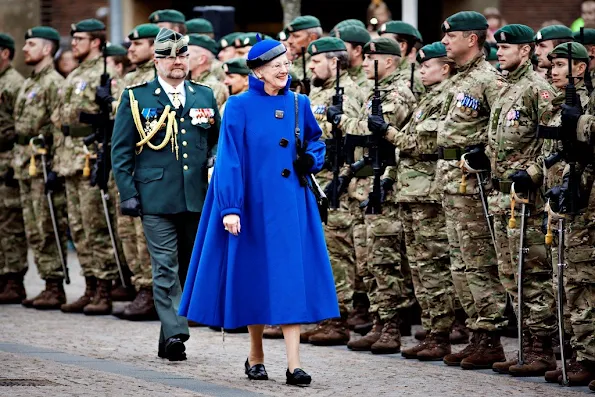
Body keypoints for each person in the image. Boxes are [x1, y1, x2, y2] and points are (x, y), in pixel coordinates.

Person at [179, 37, 339, 386]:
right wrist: (231, 208)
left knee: (288, 279)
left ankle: (294, 364)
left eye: (285, 64)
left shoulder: (300, 102)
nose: (283, 70)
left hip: (291, 205)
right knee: (255, 276)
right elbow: (229, 161)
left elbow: (316, 140)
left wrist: (312, 158)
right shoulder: (238, 106)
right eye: (275, 65)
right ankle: (256, 354)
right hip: (251, 204)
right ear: (257, 71)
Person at [111, 28, 220, 361]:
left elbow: (215, 141)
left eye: (182, 55)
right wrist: (127, 193)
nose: (177, 62)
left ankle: (166, 338)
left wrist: (215, 163)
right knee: (164, 268)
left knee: (187, 270)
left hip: (195, 196)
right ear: (157, 61)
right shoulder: (137, 97)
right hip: (154, 197)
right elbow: (121, 151)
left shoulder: (204, 95)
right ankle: (176, 334)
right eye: (170, 56)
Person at [327, 37, 417, 354]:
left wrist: (342, 121)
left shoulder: (397, 93)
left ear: (389, 61)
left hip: (386, 186)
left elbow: (376, 131)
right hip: (367, 183)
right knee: (368, 261)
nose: (364, 63)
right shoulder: (372, 93)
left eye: (371, 58)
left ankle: (391, 325)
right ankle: (379, 321)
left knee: (384, 258)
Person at [438, 11, 509, 370]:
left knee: (479, 262)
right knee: (460, 263)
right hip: (450, 180)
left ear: (472, 39)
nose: (445, 41)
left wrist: (485, 154)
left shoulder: (489, 79)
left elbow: (503, 131)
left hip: (472, 182)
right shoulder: (458, 79)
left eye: (452, 36)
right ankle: (475, 333)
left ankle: (490, 336)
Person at [485, 24, 557, 377]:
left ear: (525, 51)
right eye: (497, 48)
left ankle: (541, 347)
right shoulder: (506, 88)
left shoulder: (537, 89)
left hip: (526, 197)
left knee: (533, 273)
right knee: (510, 273)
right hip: (503, 197)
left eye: (506, 48)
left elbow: (551, 143)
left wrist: (533, 171)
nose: (499, 53)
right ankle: (526, 342)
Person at [395, 42, 462, 361]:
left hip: (428, 192)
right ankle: (433, 329)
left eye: (426, 67)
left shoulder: (447, 96)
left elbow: (424, 142)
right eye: (419, 67)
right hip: (412, 190)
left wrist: (390, 135)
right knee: (420, 266)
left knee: (433, 264)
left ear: (445, 68)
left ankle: (441, 333)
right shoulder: (429, 97)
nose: (420, 71)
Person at [298, 37, 366, 346]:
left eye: (317, 60)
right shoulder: (315, 92)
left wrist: (343, 178)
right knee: (321, 249)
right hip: (313, 180)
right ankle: (325, 315)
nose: (310, 64)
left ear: (335, 63)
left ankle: (338, 319)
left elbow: (357, 141)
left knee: (337, 252)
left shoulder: (349, 92)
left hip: (335, 183)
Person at [51, 19, 121, 315]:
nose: (73, 43)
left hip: (89, 156)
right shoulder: (75, 73)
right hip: (68, 157)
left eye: (79, 38)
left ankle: (105, 287)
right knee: (78, 228)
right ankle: (89, 285)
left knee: (95, 225)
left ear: (95, 42)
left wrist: (107, 100)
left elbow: (115, 111)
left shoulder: (105, 72)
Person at [537, 42, 594, 386]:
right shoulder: (558, 104)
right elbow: (549, 151)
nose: (553, 70)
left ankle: (589, 356)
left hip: (586, 203)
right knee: (566, 280)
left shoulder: (587, 101)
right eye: (553, 64)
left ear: (580, 68)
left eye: (560, 64)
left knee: (584, 281)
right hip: (560, 203)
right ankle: (574, 353)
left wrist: (583, 121)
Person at [7, 26, 69, 309]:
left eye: (31, 44)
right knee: (31, 226)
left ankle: (54, 285)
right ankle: (44, 282)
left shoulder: (53, 82)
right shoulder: (30, 82)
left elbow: (58, 128)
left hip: (43, 163)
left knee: (46, 224)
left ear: (47, 49)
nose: (25, 49)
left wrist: (56, 165)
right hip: (23, 162)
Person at [111, 22, 161, 321]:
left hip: (149, 164)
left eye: (137, 44)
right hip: (126, 160)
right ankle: (140, 285)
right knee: (128, 231)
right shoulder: (130, 78)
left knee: (146, 233)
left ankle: (152, 290)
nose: (130, 49)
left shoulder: (159, 79)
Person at [0, 33, 27, 304]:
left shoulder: (14, 83)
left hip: (10, 158)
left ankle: (13, 278)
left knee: (11, 224)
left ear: (5, 53)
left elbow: (19, 127)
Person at [378, 21, 425, 99]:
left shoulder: (412, 76)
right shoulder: (387, 71)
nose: (380, 47)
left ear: (402, 46)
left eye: (386, 42)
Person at [188, 34, 229, 109]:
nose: (180, 59)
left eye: (187, 55)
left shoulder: (214, 87)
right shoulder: (186, 82)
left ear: (201, 59)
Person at [287, 16, 322, 88]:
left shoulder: (319, 65)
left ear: (312, 38)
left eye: (296, 36)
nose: (289, 41)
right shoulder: (294, 61)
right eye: (290, 36)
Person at [334, 25, 372, 89]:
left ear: (357, 50)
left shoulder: (368, 78)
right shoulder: (339, 72)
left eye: (341, 47)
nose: (336, 52)